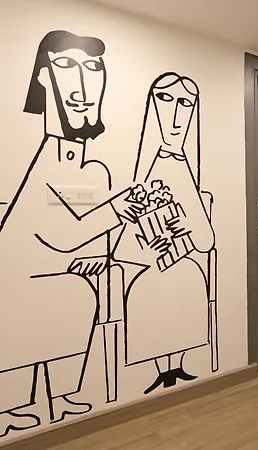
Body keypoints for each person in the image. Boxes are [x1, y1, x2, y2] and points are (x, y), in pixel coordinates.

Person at [0, 30, 140, 439]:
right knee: (27, 318)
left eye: (92, 68)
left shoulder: (88, 165)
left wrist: (100, 245)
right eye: (65, 65)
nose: (81, 85)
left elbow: (80, 221)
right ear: (44, 77)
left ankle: (61, 395)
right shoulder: (47, 158)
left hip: (61, 274)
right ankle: (11, 404)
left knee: (79, 298)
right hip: (19, 277)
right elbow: (55, 229)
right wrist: (115, 210)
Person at [114, 72, 215, 394]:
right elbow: (122, 241)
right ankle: (160, 367)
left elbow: (206, 238)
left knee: (188, 280)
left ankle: (177, 364)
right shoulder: (140, 172)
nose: (176, 116)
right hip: (147, 265)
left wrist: (188, 228)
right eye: (166, 100)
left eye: (186, 104)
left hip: (183, 261)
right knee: (150, 290)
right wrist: (146, 245)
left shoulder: (185, 169)